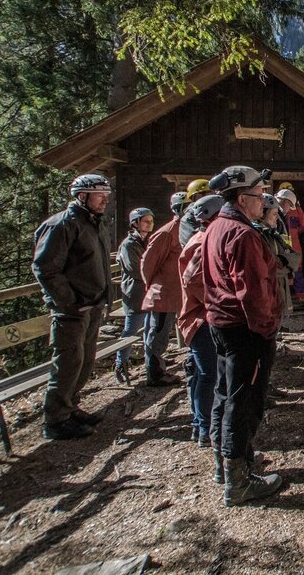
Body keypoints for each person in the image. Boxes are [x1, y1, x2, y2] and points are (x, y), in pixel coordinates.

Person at [203, 165, 283, 506]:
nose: (263, 201)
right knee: (244, 401)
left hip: (222, 326)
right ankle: (237, 480)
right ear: (241, 198)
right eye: (259, 195)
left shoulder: (216, 227)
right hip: (245, 330)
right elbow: (254, 293)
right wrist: (266, 330)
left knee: (226, 394)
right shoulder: (243, 235)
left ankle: (229, 462)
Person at [31, 174, 115, 440]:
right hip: (71, 310)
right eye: (99, 195)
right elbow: (45, 267)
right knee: (68, 362)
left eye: (106, 195)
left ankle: (70, 407)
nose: (105, 200)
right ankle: (55, 420)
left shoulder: (94, 223)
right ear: (81, 196)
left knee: (85, 361)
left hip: (92, 306)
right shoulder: (62, 225)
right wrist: (69, 301)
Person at [177, 194, 225, 452]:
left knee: (201, 374)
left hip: (200, 317)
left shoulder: (202, 238)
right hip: (201, 319)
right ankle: (204, 427)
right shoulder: (202, 241)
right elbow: (192, 279)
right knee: (208, 375)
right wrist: (218, 302)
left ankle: (200, 425)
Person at [139, 191, 187, 386]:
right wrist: (152, 286)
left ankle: (157, 366)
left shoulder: (183, 229)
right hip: (163, 294)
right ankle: (155, 374)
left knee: (162, 333)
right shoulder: (167, 232)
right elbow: (147, 263)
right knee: (157, 333)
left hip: (176, 293)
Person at [114, 207, 154, 383]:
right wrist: (155, 271)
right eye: (146, 221)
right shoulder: (129, 244)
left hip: (148, 292)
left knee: (149, 329)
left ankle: (150, 364)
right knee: (130, 330)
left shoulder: (147, 241)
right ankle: (120, 363)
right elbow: (135, 269)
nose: (149, 224)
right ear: (135, 223)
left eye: (151, 221)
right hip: (135, 293)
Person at [257, 194, 300, 318]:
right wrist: (288, 264)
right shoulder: (257, 236)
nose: (277, 219)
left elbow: (295, 257)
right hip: (269, 293)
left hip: (279, 290)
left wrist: (283, 262)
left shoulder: (273, 234)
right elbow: (270, 266)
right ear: (263, 213)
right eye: (274, 214)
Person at [275, 184, 304, 302]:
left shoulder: (296, 210)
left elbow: (302, 225)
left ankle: (300, 295)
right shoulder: (274, 212)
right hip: (281, 247)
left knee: (297, 268)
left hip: (293, 243)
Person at [179, 178, 213, 246]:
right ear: (193, 197)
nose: (206, 197)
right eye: (202, 194)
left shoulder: (215, 213)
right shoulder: (187, 219)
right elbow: (191, 244)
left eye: (209, 194)